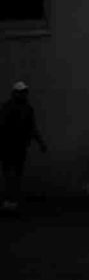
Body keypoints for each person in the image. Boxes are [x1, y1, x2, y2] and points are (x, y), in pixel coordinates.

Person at [0, 81, 47, 212]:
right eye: (20, 92)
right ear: (15, 93)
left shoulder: (25, 108)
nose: (23, 95)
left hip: (18, 146)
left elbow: (32, 128)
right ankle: (10, 200)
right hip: (8, 146)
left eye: (24, 92)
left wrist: (40, 142)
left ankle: (11, 200)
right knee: (10, 173)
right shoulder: (9, 108)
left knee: (15, 173)